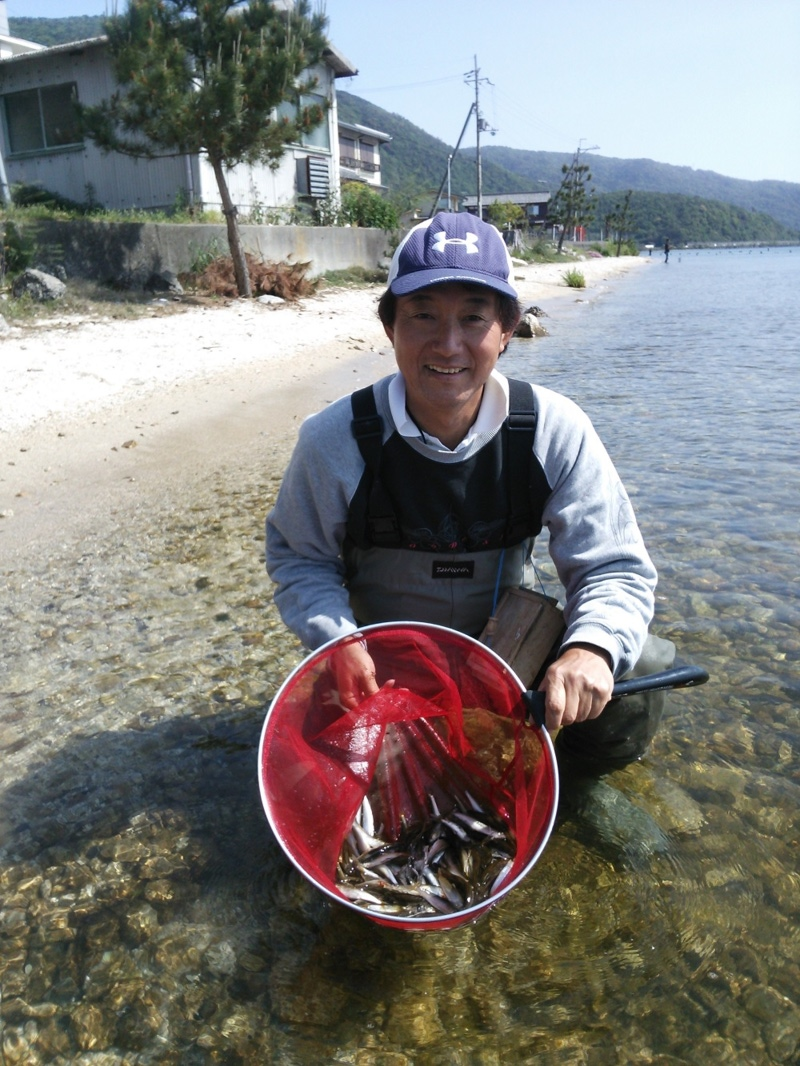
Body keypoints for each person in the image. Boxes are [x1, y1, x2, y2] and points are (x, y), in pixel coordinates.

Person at [266, 212, 672, 769]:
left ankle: (575, 789)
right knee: (326, 768)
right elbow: (299, 559)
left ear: (507, 331)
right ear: (391, 327)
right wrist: (337, 640)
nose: (448, 344)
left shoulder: (554, 429)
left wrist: (591, 647)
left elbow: (614, 567)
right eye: (423, 316)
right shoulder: (333, 440)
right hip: (379, 660)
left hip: (508, 654)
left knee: (640, 665)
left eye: (474, 319)